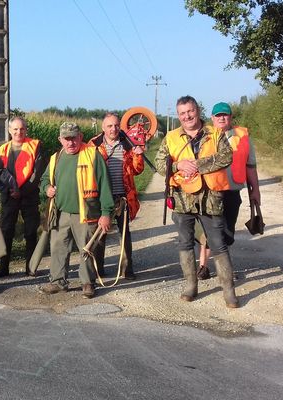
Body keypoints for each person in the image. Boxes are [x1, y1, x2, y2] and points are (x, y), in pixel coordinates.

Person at [154, 95, 239, 308]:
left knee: (218, 244)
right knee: (184, 243)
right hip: (182, 198)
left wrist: (196, 165)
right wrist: (178, 166)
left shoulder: (215, 133)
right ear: (178, 115)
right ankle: (191, 286)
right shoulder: (171, 137)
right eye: (182, 113)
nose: (187, 116)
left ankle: (229, 291)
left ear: (197, 111)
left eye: (190, 111)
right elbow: (160, 165)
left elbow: (226, 156)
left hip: (210, 198)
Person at [39, 122, 114, 299]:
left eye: (74, 138)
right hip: (61, 212)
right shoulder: (55, 158)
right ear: (60, 139)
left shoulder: (93, 155)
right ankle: (58, 282)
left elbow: (105, 186)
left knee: (86, 249)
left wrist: (106, 213)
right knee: (58, 247)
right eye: (67, 139)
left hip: (86, 213)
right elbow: (43, 180)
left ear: (80, 137)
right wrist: (47, 188)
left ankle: (87, 283)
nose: (70, 143)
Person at [195, 102, 261, 279]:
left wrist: (255, 191)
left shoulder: (243, 136)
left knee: (227, 231)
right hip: (209, 190)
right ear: (212, 118)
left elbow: (251, 167)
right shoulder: (203, 136)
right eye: (218, 115)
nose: (222, 118)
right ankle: (204, 266)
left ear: (231, 117)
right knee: (208, 231)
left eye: (225, 114)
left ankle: (222, 266)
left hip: (232, 190)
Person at [88, 113, 144, 279]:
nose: (114, 129)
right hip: (101, 198)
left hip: (123, 197)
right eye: (110, 126)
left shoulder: (129, 144)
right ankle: (99, 270)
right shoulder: (93, 145)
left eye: (116, 125)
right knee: (100, 233)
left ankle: (127, 269)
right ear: (103, 128)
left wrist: (138, 155)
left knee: (124, 234)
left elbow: (137, 170)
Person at [0, 116, 45, 277]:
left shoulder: (35, 146)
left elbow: (36, 174)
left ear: (26, 130)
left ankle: (30, 267)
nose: (18, 132)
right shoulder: (2, 150)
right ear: (9, 131)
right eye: (15, 129)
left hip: (29, 196)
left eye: (22, 129)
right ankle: (3, 267)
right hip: (9, 197)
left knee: (30, 232)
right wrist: (8, 190)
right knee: (6, 231)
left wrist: (21, 192)